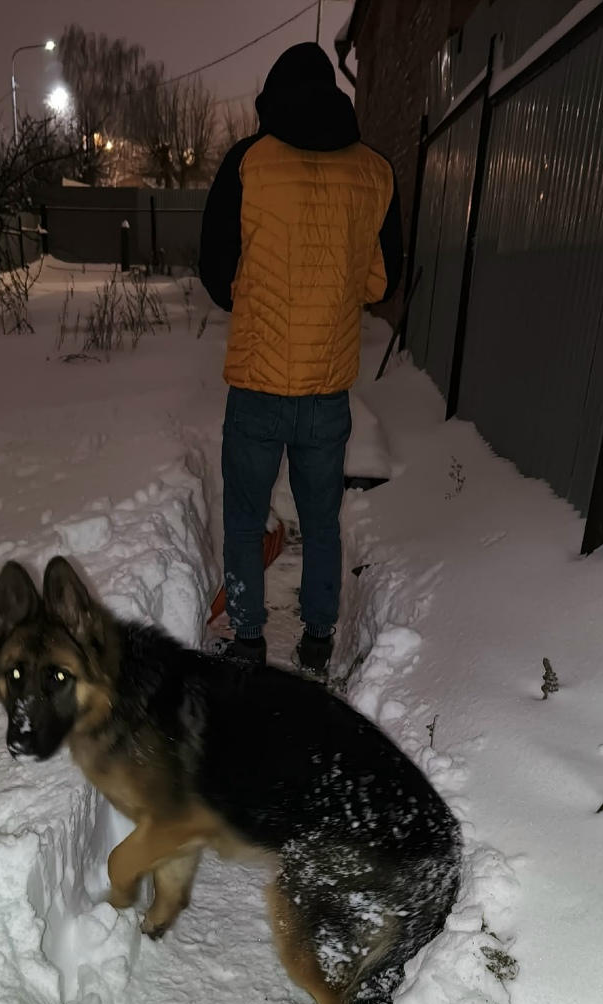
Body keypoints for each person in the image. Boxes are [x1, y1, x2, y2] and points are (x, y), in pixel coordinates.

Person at [199, 41, 402, 677]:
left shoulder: (246, 162)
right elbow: (382, 282)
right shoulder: (375, 172)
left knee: (243, 520)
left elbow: (213, 270)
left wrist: (254, 288)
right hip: (325, 392)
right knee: (320, 522)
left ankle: (250, 640)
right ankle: (317, 640)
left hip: (258, 384)